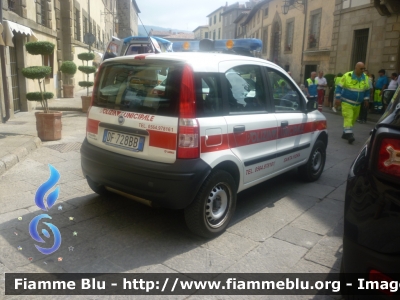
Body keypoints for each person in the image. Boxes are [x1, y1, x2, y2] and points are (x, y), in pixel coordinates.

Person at [335, 62, 370, 144]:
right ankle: (349, 135)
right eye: (361, 68)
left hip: (357, 104)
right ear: (356, 68)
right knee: (348, 117)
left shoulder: (365, 77)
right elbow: (339, 87)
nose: (363, 70)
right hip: (347, 103)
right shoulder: (347, 75)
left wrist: (366, 100)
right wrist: (337, 98)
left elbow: (367, 90)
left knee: (353, 119)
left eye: (363, 68)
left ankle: (345, 133)